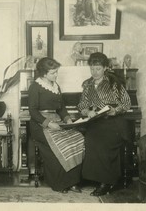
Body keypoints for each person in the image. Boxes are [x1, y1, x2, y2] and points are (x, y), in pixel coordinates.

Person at [77, 52, 131, 196]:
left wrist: (115, 110)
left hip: (113, 121)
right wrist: (86, 111)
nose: (95, 72)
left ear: (105, 68)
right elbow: (82, 104)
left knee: (103, 142)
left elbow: (126, 103)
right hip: (96, 121)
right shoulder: (88, 85)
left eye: (98, 69)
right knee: (90, 140)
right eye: (92, 69)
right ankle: (95, 178)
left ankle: (106, 182)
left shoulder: (114, 82)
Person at [28, 57, 85, 193]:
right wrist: (48, 123)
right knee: (60, 143)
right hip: (40, 125)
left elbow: (61, 108)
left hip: (57, 122)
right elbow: (33, 111)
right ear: (44, 73)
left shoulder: (56, 86)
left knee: (78, 138)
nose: (56, 75)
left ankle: (72, 181)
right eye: (53, 73)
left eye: (56, 72)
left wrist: (67, 119)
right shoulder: (35, 87)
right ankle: (60, 183)